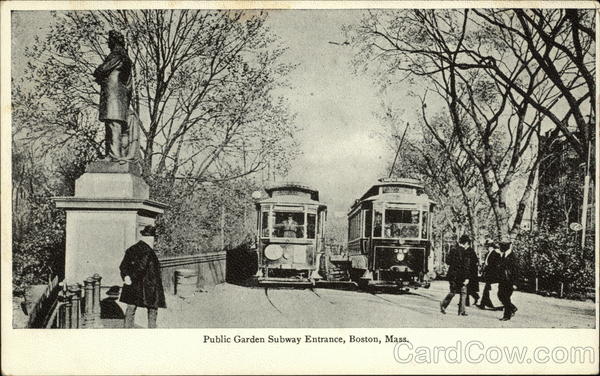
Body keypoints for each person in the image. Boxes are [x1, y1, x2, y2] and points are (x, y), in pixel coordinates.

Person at [93, 30, 134, 161]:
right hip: (118, 96)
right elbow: (129, 84)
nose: (108, 42)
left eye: (109, 40)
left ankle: (114, 155)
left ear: (114, 41)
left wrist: (98, 73)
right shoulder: (124, 57)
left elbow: (102, 69)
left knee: (113, 125)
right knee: (112, 125)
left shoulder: (116, 55)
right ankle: (112, 155)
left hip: (113, 95)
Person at [119, 225, 166, 328]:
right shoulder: (148, 251)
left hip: (132, 285)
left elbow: (123, 266)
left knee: (131, 307)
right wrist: (132, 277)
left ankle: (127, 331)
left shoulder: (131, 249)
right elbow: (141, 267)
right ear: (151, 238)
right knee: (152, 309)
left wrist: (126, 277)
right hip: (149, 287)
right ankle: (151, 332)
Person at [440, 234, 475, 316]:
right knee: (463, 292)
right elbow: (466, 266)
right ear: (466, 243)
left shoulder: (452, 250)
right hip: (461, 275)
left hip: (452, 275)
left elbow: (447, 261)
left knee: (453, 291)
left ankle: (443, 305)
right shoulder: (466, 252)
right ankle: (461, 311)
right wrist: (467, 277)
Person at [497, 240, 518, 321]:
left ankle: (507, 315)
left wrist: (515, 283)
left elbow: (516, 271)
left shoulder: (512, 256)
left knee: (505, 297)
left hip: (509, 281)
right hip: (503, 280)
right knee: (500, 295)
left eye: (501, 246)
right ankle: (512, 308)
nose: (500, 248)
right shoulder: (504, 255)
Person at [478, 239, 502, 310]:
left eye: (488, 246)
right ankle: (483, 304)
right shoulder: (488, 254)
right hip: (489, 274)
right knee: (487, 289)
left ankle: (485, 304)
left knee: (490, 289)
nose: (487, 248)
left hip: (493, 275)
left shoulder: (496, 254)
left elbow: (495, 265)